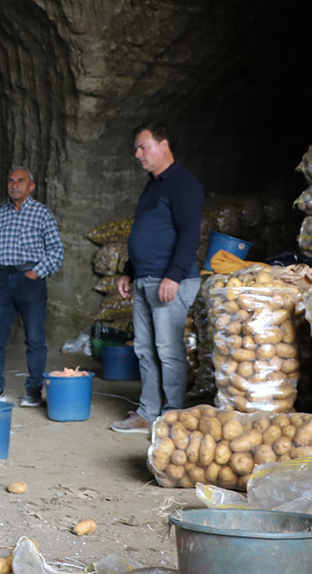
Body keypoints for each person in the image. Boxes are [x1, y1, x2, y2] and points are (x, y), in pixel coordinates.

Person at [112, 124, 204, 433]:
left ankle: (172, 417)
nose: (137, 154)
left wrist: (173, 277)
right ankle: (148, 412)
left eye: (143, 147)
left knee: (168, 350)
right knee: (144, 349)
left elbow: (190, 235)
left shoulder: (183, 184)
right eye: (137, 149)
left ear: (164, 145)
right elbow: (147, 232)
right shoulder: (153, 185)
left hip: (169, 281)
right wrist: (129, 270)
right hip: (145, 278)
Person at [0, 166, 65, 406]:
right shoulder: (0, 215)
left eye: (20, 181)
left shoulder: (42, 214)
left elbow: (56, 251)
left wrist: (36, 272)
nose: (14, 185)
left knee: (35, 338)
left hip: (30, 281)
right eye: (11, 181)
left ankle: (33, 390)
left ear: (31, 187)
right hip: (2, 281)